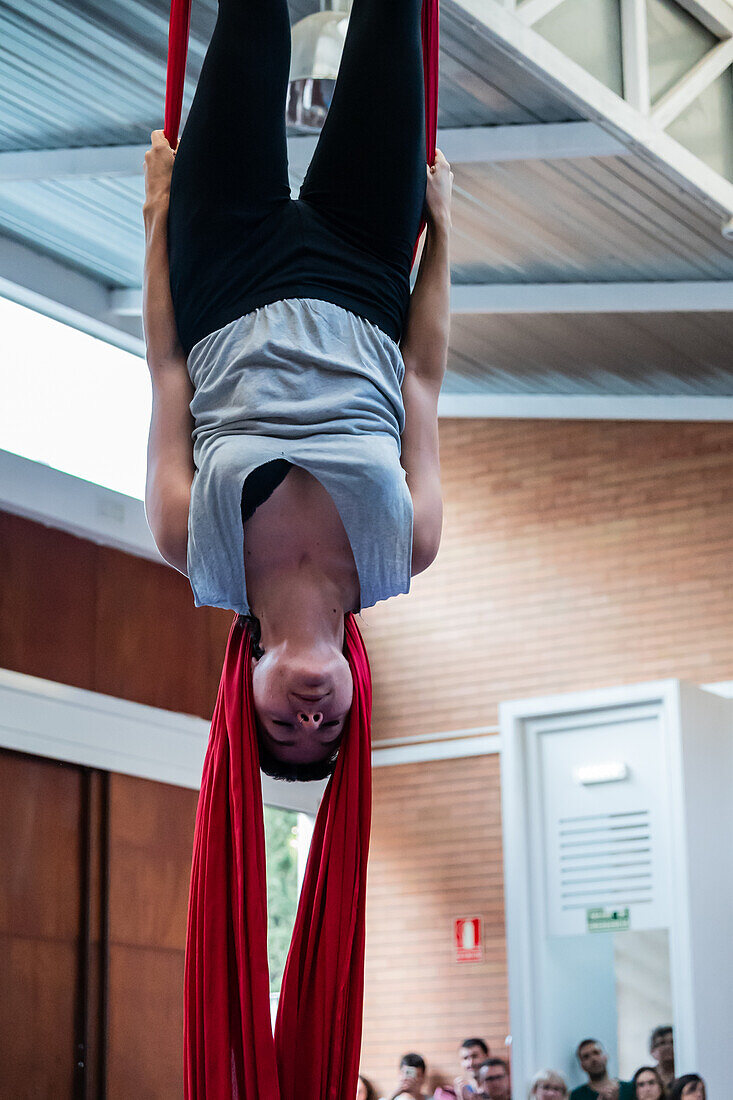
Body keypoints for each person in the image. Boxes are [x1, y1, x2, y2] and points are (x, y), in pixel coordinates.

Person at [142, 0, 452, 780]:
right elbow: (420, 378)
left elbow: (167, 370)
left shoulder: (193, 546)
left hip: (223, 268)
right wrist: (441, 235)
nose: (309, 714)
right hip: (367, 270)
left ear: (240, 687)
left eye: (283, 725)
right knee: (393, 18)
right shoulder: (405, 551)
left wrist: (156, 221)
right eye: (329, 725)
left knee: (252, 18)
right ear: (357, 691)